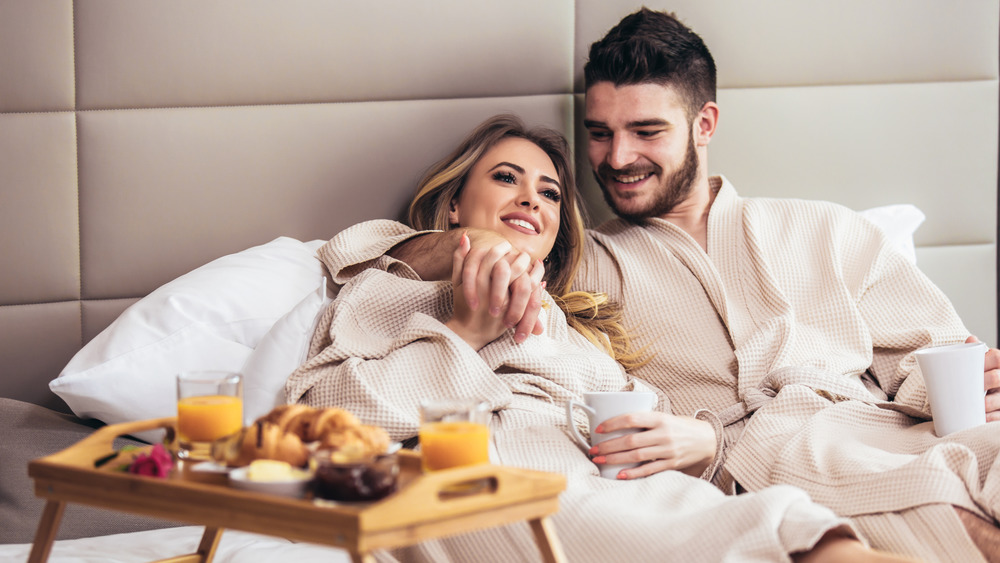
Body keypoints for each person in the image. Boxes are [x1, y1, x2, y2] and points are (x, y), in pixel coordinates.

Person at [312, 9, 1000, 563]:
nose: (617, 158)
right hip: (763, 466)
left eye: (646, 130)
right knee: (946, 517)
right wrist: (472, 246)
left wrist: (967, 379)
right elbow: (374, 254)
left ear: (705, 125)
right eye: (600, 134)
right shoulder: (579, 269)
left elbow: (930, 358)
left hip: (894, 430)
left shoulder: (828, 230)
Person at [285, 114, 914, 562]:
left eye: (550, 192)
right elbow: (319, 416)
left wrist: (686, 442)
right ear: (453, 205)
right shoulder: (397, 287)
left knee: (811, 531)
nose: (532, 198)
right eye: (506, 178)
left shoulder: (567, 324)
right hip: (491, 484)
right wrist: (466, 332)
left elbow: (638, 421)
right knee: (768, 539)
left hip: (618, 484)